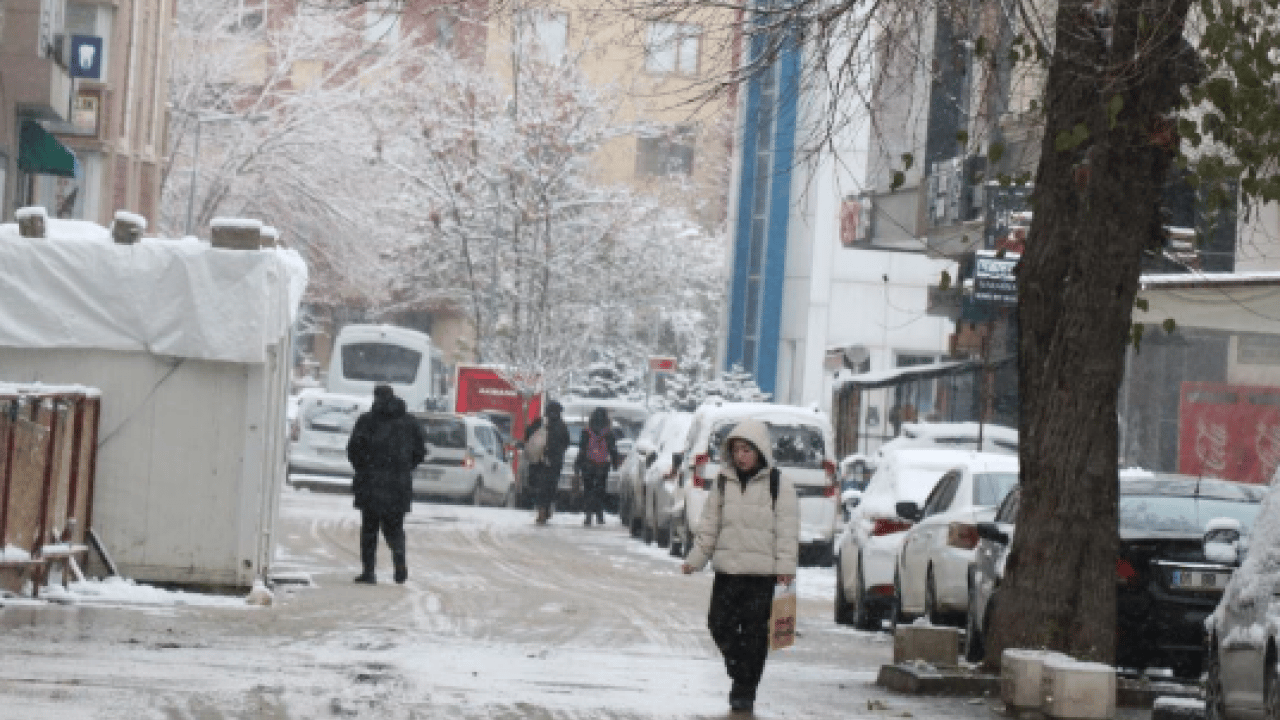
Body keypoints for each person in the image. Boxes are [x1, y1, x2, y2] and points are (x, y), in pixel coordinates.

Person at [681, 419, 799, 714]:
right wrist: (696, 559)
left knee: (755, 634)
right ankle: (739, 669)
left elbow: (787, 529)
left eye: (746, 450)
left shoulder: (778, 484)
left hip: (761, 575)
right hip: (727, 571)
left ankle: (745, 691)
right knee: (718, 623)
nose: (741, 456)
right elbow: (710, 524)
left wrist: (785, 567)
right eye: (736, 450)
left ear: (759, 450)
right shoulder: (723, 481)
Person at [346, 384, 427, 585]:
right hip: (398, 485)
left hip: (371, 483)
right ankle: (399, 562)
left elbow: (353, 450)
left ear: (375, 397)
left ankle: (369, 571)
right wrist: (405, 467)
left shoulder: (366, 421)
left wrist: (364, 468)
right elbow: (420, 451)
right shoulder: (409, 422)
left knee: (369, 529)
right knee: (395, 528)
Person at [524, 401, 571, 525]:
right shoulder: (562, 426)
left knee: (540, 487)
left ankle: (541, 510)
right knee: (550, 487)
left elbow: (527, 435)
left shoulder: (540, 423)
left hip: (539, 460)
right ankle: (546, 508)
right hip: (555, 462)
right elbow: (566, 443)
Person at [574, 407, 621, 527]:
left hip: (588, 464)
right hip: (602, 466)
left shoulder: (586, 432)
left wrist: (577, 465)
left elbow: (582, 450)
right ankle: (600, 515)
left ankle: (588, 515)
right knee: (600, 490)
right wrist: (615, 463)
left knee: (588, 489)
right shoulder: (608, 433)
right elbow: (612, 449)